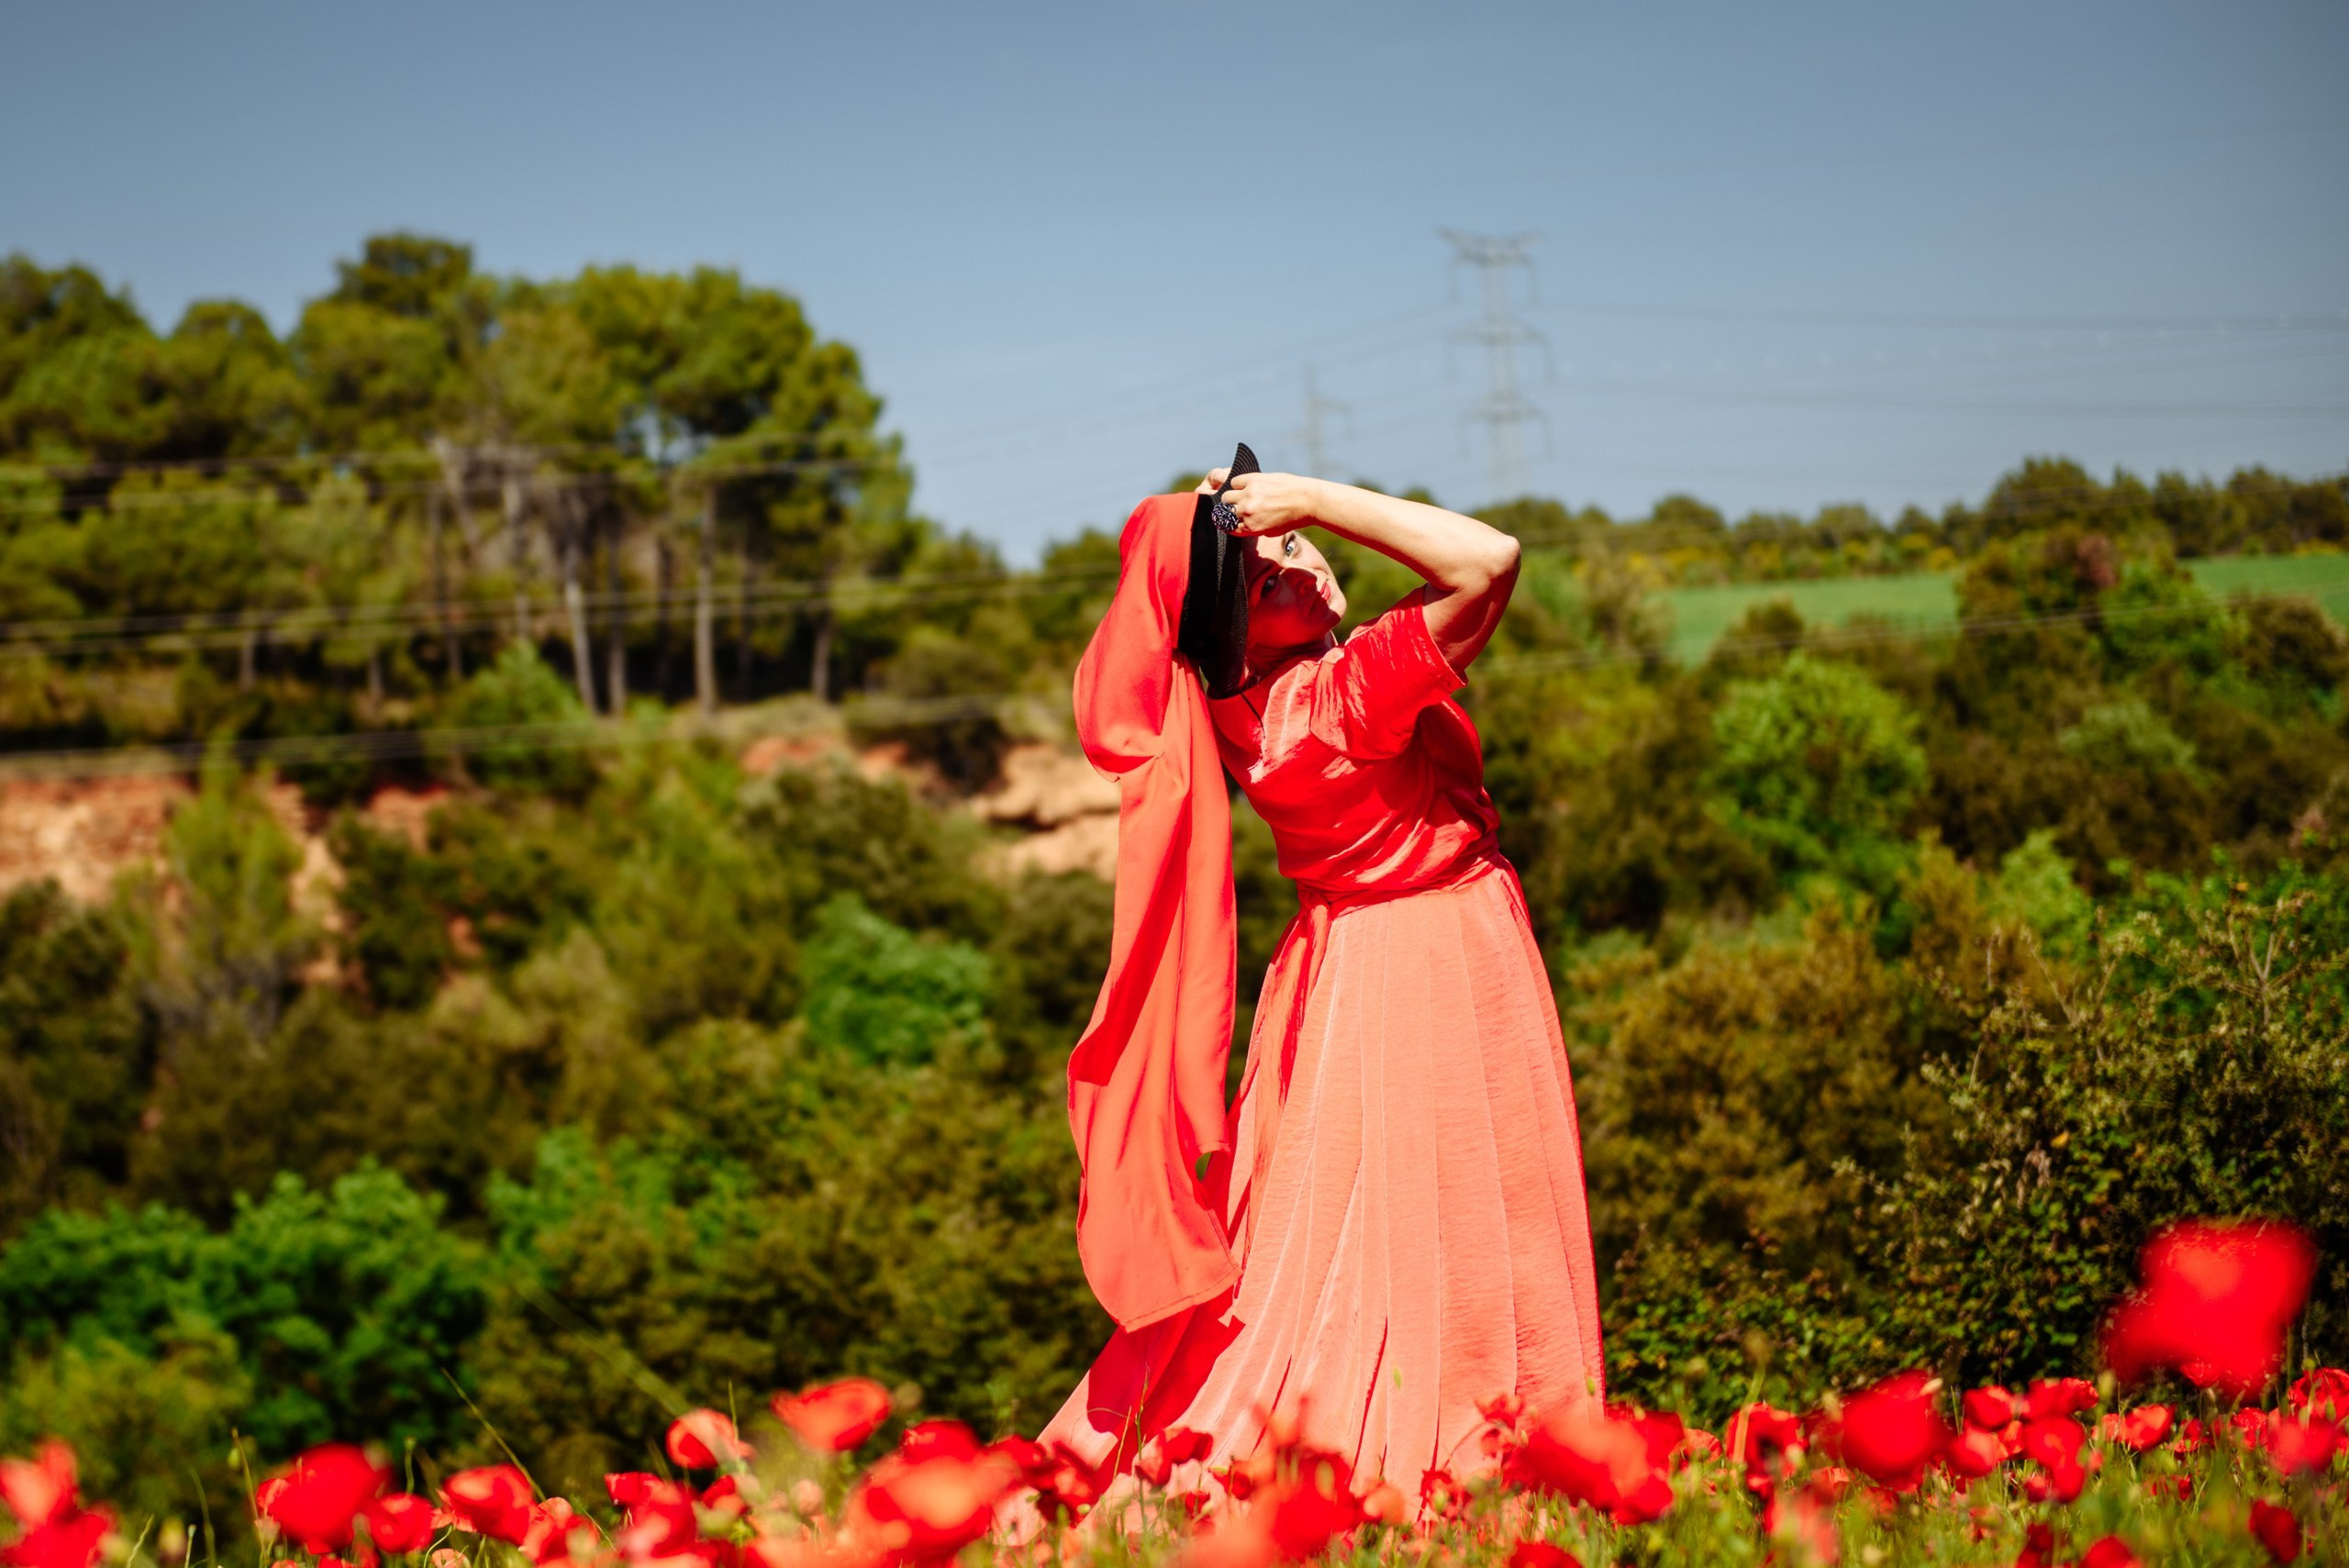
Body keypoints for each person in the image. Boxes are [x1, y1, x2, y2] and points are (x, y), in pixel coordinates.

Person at [1037, 465, 1604, 1503]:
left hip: (1341, 960)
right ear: (1234, 636)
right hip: (1434, 956)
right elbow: (1488, 559)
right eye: (1266, 583)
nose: (1301, 567)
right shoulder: (1342, 698)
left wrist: (1237, 542)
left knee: (1354, 1230)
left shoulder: (1232, 702)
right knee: (1466, 1220)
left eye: (1294, 548)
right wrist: (1310, 496)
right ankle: (1465, 1460)